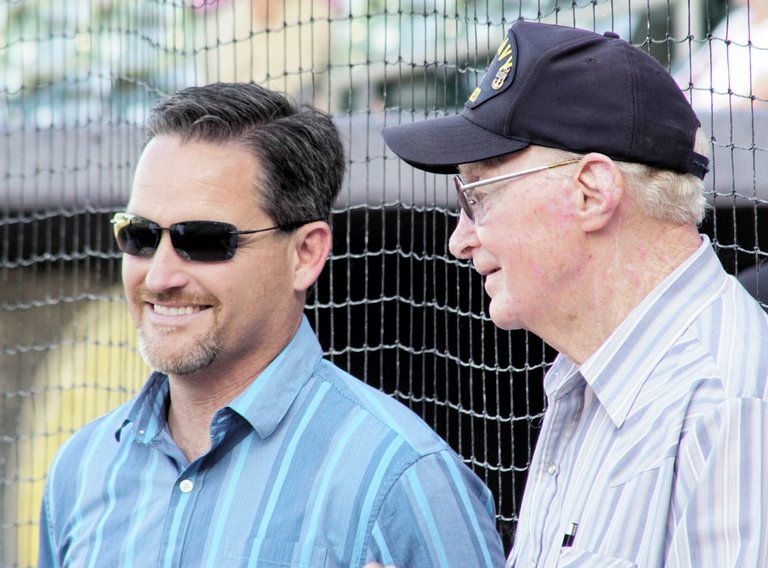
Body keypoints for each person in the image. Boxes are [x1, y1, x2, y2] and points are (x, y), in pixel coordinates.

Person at [381, 20, 768, 567]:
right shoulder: (592, 375)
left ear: (591, 192)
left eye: (476, 196)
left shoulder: (728, 409)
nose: (460, 239)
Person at [38, 83, 505, 567]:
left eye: (202, 239)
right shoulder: (82, 471)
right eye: (138, 236)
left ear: (306, 254)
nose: (159, 275)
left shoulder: (400, 477)